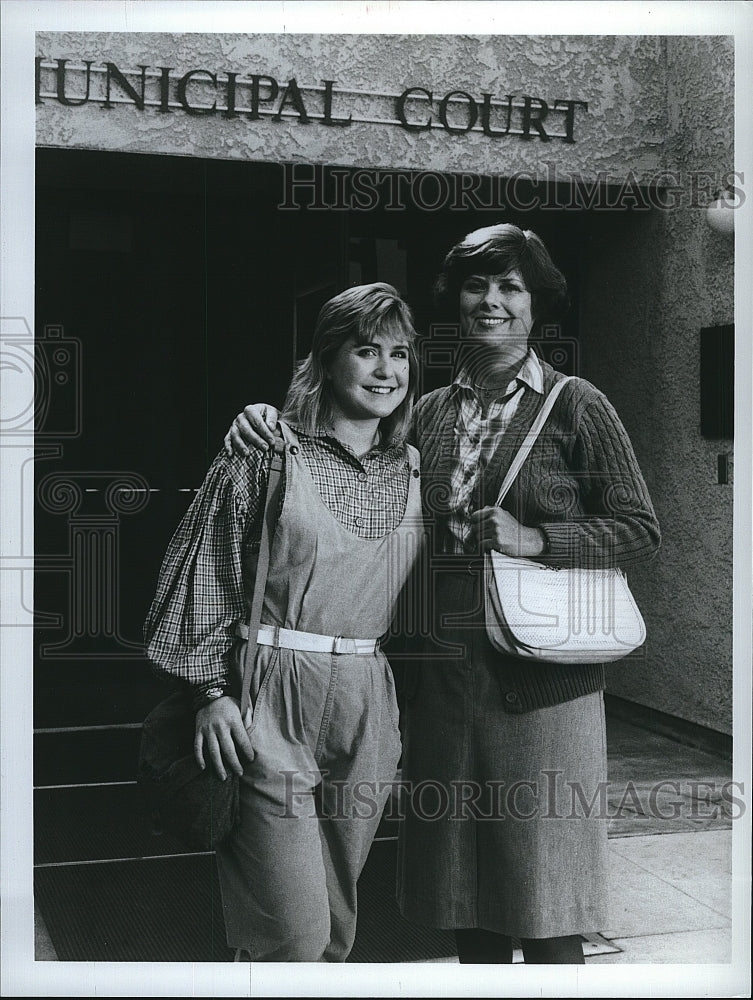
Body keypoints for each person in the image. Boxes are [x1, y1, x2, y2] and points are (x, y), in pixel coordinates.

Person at [223, 223, 661, 965]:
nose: (491, 300)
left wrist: (538, 540)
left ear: (536, 304)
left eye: (510, 287)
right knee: (463, 897)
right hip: (442, 680)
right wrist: (262, 417)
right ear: (456, 300)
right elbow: (339, 450)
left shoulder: (576, 403)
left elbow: (639, 527)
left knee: (544, 900)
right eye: (477, 285)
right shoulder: (424, 411)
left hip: (544, 686)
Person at [144, 282, 424, 962]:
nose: (387, 370)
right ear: (327, 361)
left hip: (366, 701)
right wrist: (209, 693)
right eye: (366, 352)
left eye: (400, 354)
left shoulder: (415, 464)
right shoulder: (265, 451)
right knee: (289, 935)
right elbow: (203, 570)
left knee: (334, 927)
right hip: (268, 693)